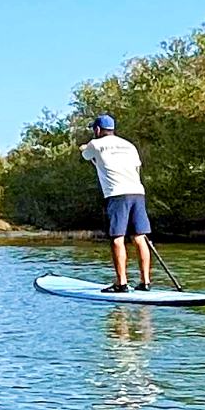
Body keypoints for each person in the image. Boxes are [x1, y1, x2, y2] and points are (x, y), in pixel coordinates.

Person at [80, 114, 153, 293]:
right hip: (137, 192)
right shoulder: (129, 145)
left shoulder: (95, 144)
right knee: (139, 237)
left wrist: (84, 147)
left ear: (97, 130)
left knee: (117, 238)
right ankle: (145, 282)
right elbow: (136, 167)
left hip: (116, 194)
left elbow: (85, 154)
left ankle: (121, 283)